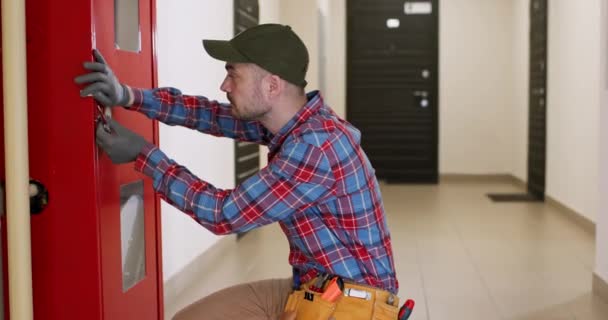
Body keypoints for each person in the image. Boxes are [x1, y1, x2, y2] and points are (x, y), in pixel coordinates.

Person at [75, 23, 399, 320]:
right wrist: (128, 96)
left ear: (272, 85)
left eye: (234, 74)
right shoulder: (292, 123)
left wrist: (144, 155)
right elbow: (211, 115)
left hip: (352, 306)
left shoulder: (315, 146)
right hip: (313, 287)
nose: (224, 84)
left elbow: (223, 214)